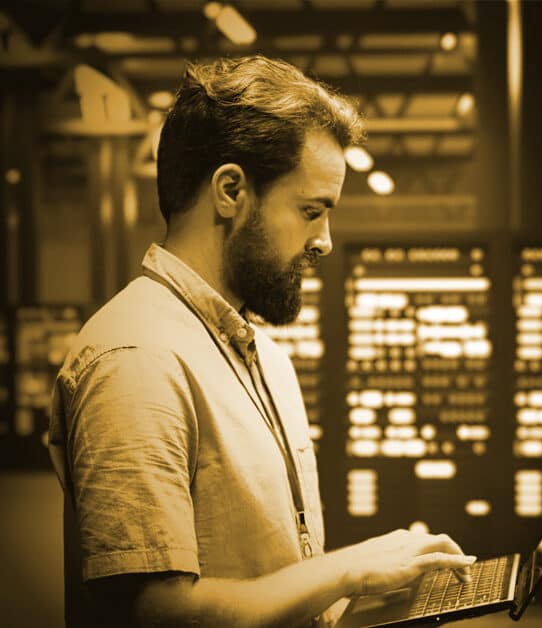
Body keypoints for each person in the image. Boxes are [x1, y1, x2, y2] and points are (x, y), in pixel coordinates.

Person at [47, 55, 475, 628]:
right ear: (230, 191)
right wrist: (350, 570)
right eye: (310, 211)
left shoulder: (264, 357)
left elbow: (275, 580)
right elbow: (157, 613)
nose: (324, 242)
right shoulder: (136, 359)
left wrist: (376, 599)